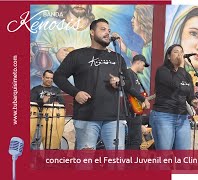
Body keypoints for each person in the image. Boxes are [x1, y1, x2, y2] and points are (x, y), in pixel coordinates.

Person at [53, 18, 128, 150]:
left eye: (109, 30)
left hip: (114, 118)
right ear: (92, 32)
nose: (107, 33)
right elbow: (58, 76)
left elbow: (127, 82)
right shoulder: (77, 55)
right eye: (103, 29)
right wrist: (76, 93)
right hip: (86, 116)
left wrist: (119, 82)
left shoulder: (117, 58)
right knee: (85, 163)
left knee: (116, 163)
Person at [31, 5, 95, 88]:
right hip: (56, 87)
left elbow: (107, 55)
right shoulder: (51, 24)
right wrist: (56, 57)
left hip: (88, 87)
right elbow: (37, 59)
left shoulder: (97, 27)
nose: (79, 4)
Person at [149, 44, 198, 150]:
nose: (180, 54)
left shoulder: (186, 75)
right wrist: (181, 67)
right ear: (168, 56)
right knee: (164, 157)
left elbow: (189, 94)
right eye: (176, 51)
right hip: (164, 116)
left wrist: (193, 100)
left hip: (182, 117)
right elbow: (175, 84)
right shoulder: (162, 71)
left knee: (184, 157)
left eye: (181, 52)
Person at [112, 5, 154, 94]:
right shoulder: (147, 45)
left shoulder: (149, 48)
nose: (132, 21)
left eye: (134, 17)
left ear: (143, 19)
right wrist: (124, 48)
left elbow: (144, 78)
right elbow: (140, 60)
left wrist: (126, 73)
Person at [123, 54, 151, 150]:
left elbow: (135, 95)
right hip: (131, 113)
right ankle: (131, 163)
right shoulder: (128, 72)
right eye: (143, 65)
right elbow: (129, 89)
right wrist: (144, 100)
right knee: (134, 141)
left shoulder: (135, 76)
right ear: (138, 62)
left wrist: (142, 101)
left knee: (136, 141)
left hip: (135, 112)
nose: (144, 68)